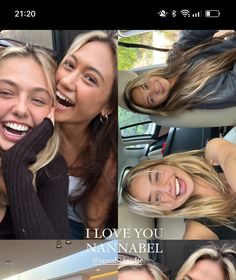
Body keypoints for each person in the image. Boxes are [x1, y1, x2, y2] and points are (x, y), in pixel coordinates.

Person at [0, 43, 70, 239]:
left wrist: (15, 164)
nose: (21, 110)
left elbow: (55, 258)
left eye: (38, 100)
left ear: (51, 112)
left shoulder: (52, 169)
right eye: (5, 92)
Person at [55, 30, 118, 239]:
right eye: (69, 65)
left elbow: (94, 229)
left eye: (90, 79)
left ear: (107, 106)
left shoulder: (107, 160)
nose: (66, 81)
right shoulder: (28, 123)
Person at [121, 137, 236, 240]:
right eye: (157, 199)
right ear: (164, 211)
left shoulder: (212, 149)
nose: (166, 188)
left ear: (164, 163)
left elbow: (231, 157)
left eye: (157, 176)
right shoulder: (197, 230)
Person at [123, 30, 236, 115]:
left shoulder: (175, 57)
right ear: (158, 106)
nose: (155, 90)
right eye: (151, 99)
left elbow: (190, 34)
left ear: (146, 77)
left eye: (145, 85)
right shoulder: (195, 96)